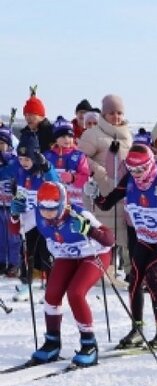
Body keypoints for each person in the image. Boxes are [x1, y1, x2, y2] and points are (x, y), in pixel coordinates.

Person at [88, 144, 157, 349]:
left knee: (153, 275)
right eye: (132, 170)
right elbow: (107, 204)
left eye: (141, 170)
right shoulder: (130, 181)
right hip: (145, 236)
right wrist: (95, 194)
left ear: (150, 165)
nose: (136, 175)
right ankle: (137, 328)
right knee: (135, 278)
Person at [12, 182, 114, 367]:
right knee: (51, 294)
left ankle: (89, 345)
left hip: (94, 254)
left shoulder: (78, 214)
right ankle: (52, 342)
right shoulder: (37, 213)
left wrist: (88, 230)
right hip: (66, 255)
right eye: (43, 208)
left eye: (52, 209)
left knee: (76, 293)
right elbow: (16, 231)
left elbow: (109, 239)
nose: (47, 214)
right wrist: (14, 215)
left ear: (63, 204)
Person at [78, 94, 134, 278]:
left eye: (119, 113)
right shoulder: (92, 134)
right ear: (103, 114)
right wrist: (100, 172)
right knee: (103, 231)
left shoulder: (127, 135)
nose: (116, 117)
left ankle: (129, 271)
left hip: (122, 192)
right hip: (101, 191)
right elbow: (80, 159)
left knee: (124, 233)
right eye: (111, 113)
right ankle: (100, 270)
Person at [10, 135, 60, 301]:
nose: (24, 162)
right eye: (21, 158)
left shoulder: (43, 169)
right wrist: (16, 204)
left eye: (27, 159)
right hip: (28, 218)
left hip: (45, 218)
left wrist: (46, 166)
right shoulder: (20, 171)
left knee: (46, 253)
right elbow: (19, 192)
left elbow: (56, 182)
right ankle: (27, 282)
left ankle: (52, 286)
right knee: (28, 252)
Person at [44, 116, 91, 209]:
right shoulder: (47, 156)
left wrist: (73, 178)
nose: (67, 139)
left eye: (70, 136)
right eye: (63, 136)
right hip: (53, 204)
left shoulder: (79, 156)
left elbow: (86, 178)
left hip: (75, 203)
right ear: (56, 138)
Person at [0, 126, 20, 277]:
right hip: (0, 205)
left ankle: (14, 263)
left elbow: (17, 175)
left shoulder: (14, 161)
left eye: (2, 142)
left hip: (11, 206)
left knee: (13, 236)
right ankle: (1, 262)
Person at [19, 86, 55, 153]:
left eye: (31, 115)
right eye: (25, 115)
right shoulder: (25, 134)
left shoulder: (51, 133)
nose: (27, 118)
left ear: (41, 116)